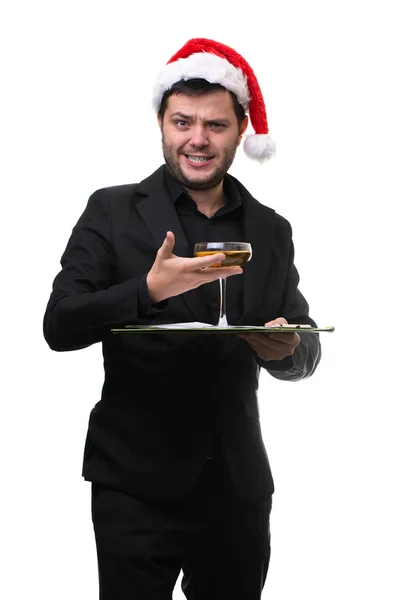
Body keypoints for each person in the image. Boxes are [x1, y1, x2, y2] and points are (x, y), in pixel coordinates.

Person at [43, 38, 321, 600]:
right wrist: (145, 290)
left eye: (216, 125)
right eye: (183, 122)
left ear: (241, 129)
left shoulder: (271, 229)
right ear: (162, 124)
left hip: (237, 490)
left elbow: (304, 340)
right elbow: (60, 325)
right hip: (134, 488)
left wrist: (287, 350)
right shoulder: (112, 210)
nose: (198, 139)